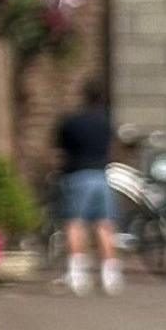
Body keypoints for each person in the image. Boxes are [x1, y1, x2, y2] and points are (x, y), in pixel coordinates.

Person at [56, 79, 121, 293]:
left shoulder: (71, 122)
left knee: (75, 224)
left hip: (77, 174)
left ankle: (77, 275)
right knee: (104, 224)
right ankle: (110, 276)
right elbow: (112, 148)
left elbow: (60, 149)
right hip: (101, 175)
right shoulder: (105, 123)